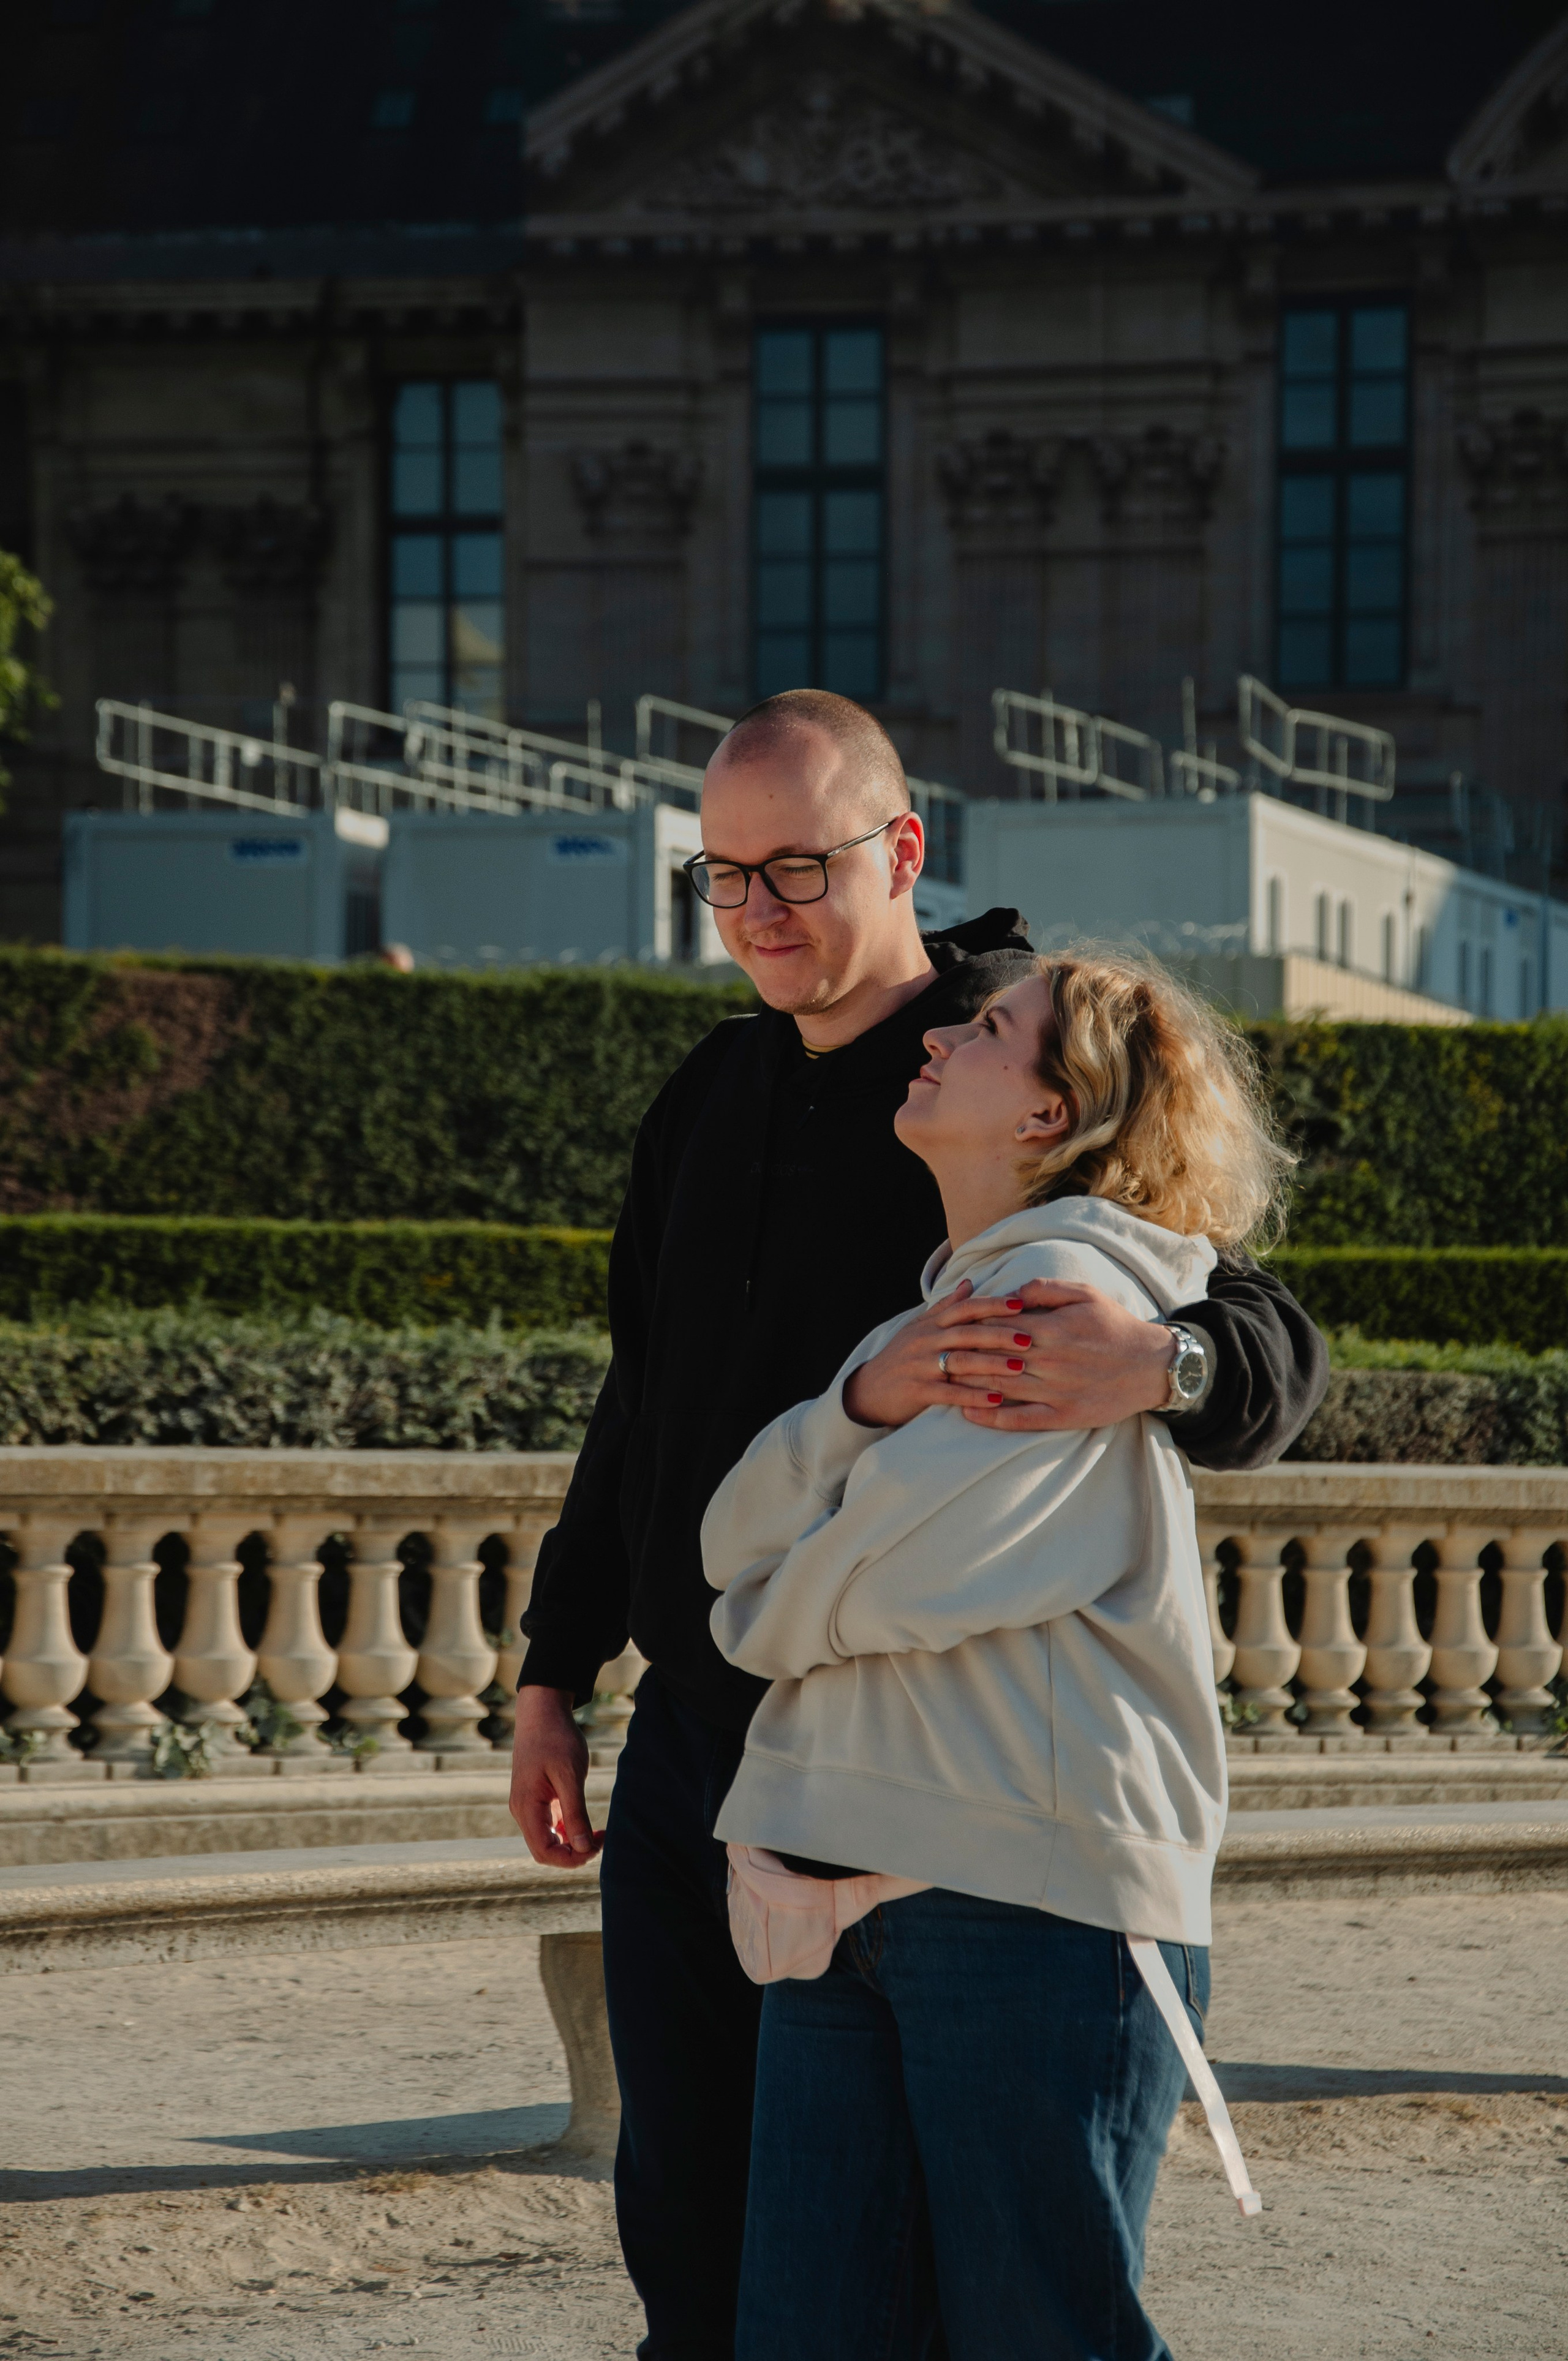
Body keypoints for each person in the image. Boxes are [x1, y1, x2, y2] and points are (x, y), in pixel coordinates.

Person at [510, 690, 1327, 2360]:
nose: (753, 913)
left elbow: (1274, 1342)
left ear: (904, 849)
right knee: (689, 2226)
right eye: (720, 875)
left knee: (936, 2290)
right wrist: (552, 1665)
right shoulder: (708, 1094)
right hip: (694, 1741)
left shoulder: (1016, 1061)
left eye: (794, 869)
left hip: (906, 1768)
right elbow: (641, 1397)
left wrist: (1161, 1362)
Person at [706, 949, 1285, 2360]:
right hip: (842, 1888)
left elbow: (873, 1577)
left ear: (1048, 1112)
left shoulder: (1057, 1297)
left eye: (988, 1029)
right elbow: (731, 1538)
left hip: (1028, 1906)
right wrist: (849, 1407)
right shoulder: (932, 1319)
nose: (943, 1038)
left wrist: (766, 1610)